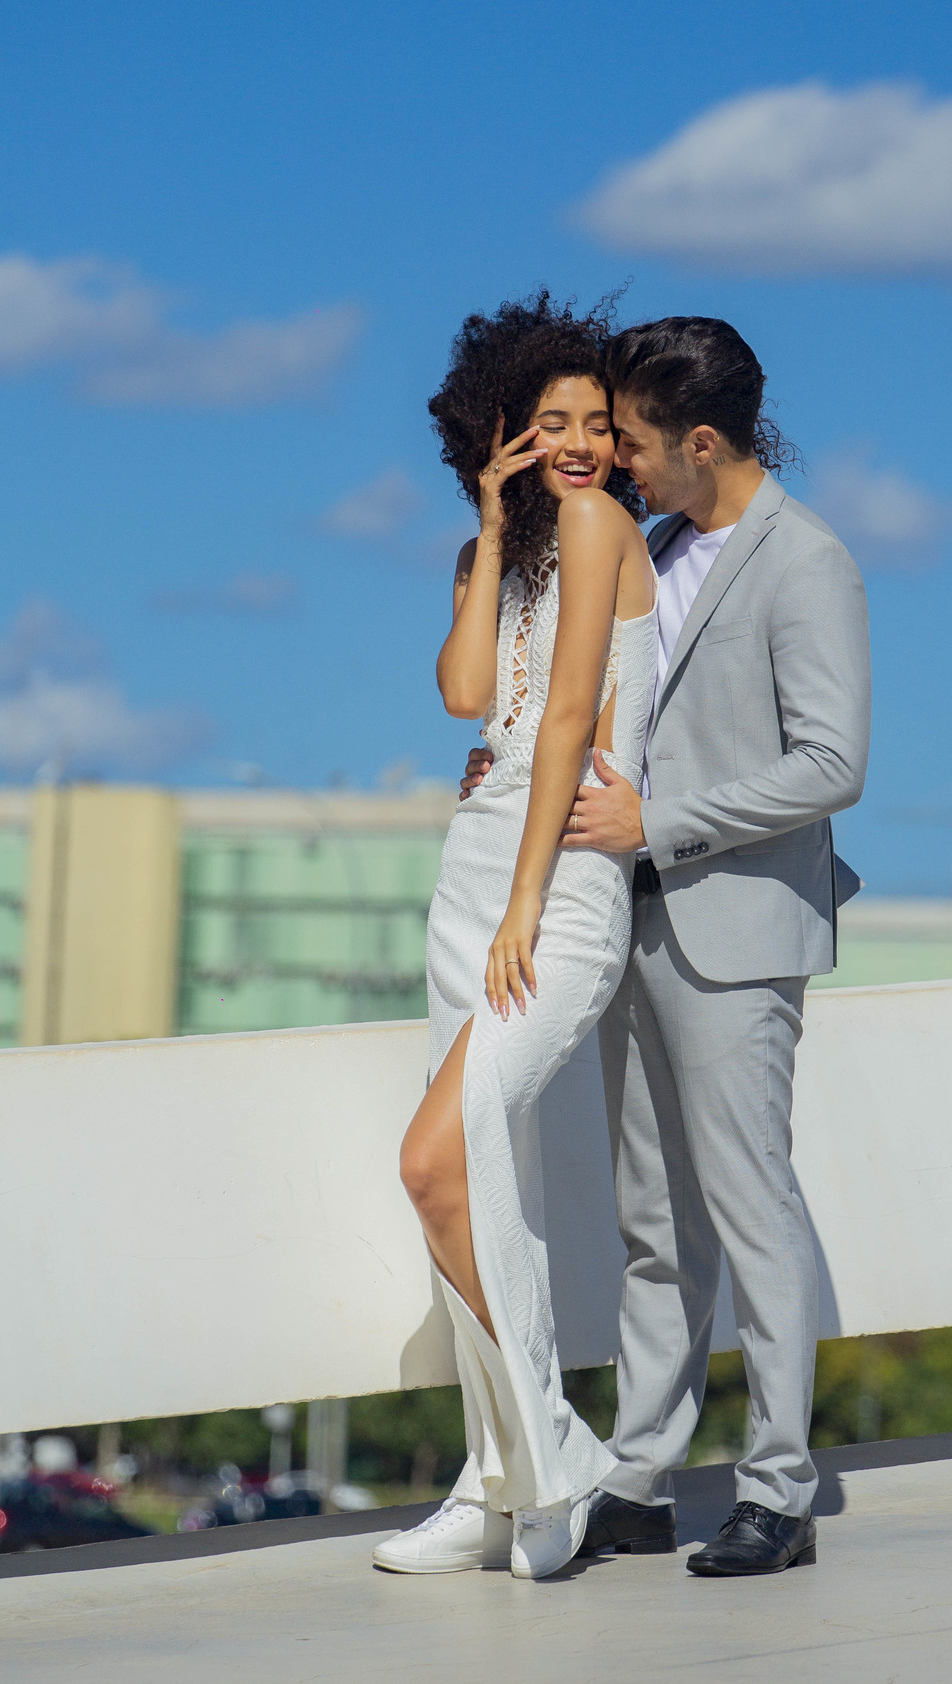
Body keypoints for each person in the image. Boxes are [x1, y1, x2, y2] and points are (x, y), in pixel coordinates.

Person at [461, 317, 870, 1577]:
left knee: (752, 1209)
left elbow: (833, 762)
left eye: (634, 441)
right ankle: (640, 1474)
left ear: (703, 440)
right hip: (625, 919)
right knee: (653, 1218)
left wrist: (661, 823)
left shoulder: (808, 565)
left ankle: (779, 1488)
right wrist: (517, 760)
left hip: (736, 931)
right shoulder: (646, 548)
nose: (618, 463)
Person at [371, 293, 658, 1582]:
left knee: (437, 1163)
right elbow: (469, 695)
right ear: (502, 435)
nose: (584, 444)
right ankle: (500, 1485)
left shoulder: (603, 527)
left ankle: (554, 1453)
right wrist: (489, 529)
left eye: (599, 421)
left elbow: (563, 726)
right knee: (493, 1193)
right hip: (472, 872)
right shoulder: (513, 542)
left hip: (557, 887)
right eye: (553, 424)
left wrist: (535, 901)